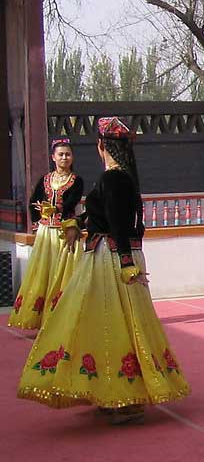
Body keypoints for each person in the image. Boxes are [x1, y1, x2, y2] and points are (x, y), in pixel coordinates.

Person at [17, 117, 190, 425]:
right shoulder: (120, 177)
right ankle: (112, 392)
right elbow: (105, 216)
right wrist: (77, 224)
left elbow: (117, 224)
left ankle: (123, 397)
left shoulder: (113, 179)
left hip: (110, 260)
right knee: (110, 325)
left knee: (111, 326)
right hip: (110, 255)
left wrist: (125, 263)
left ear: (101, 146)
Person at [8, 138, 84, 330]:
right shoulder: (45, 179)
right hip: (45, 234)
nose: (64, 158)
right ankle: (39, 319)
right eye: (61, 154)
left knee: (64, 274)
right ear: (53, 157)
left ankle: (62, 319)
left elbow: (70, 204)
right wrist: (39, 216)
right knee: (43, 273)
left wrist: (54, 210)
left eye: (67, 154)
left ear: (72, 157)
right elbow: (33, 202)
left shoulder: (77, 181)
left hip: (65, 232)